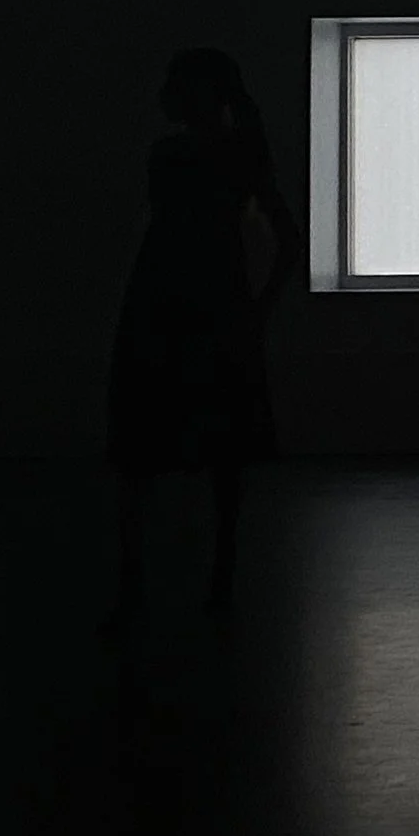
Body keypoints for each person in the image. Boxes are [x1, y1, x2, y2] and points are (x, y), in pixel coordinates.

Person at [108, 48, 301, 617]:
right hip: (211, 304)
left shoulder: (173, 154)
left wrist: (257, 309)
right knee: (220, 445)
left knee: (146, 446)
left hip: (165, 299)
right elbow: (286, 240)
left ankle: (139, 583)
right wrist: (258, 309)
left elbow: (284, 240)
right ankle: (216, 578)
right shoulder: (235, 154)